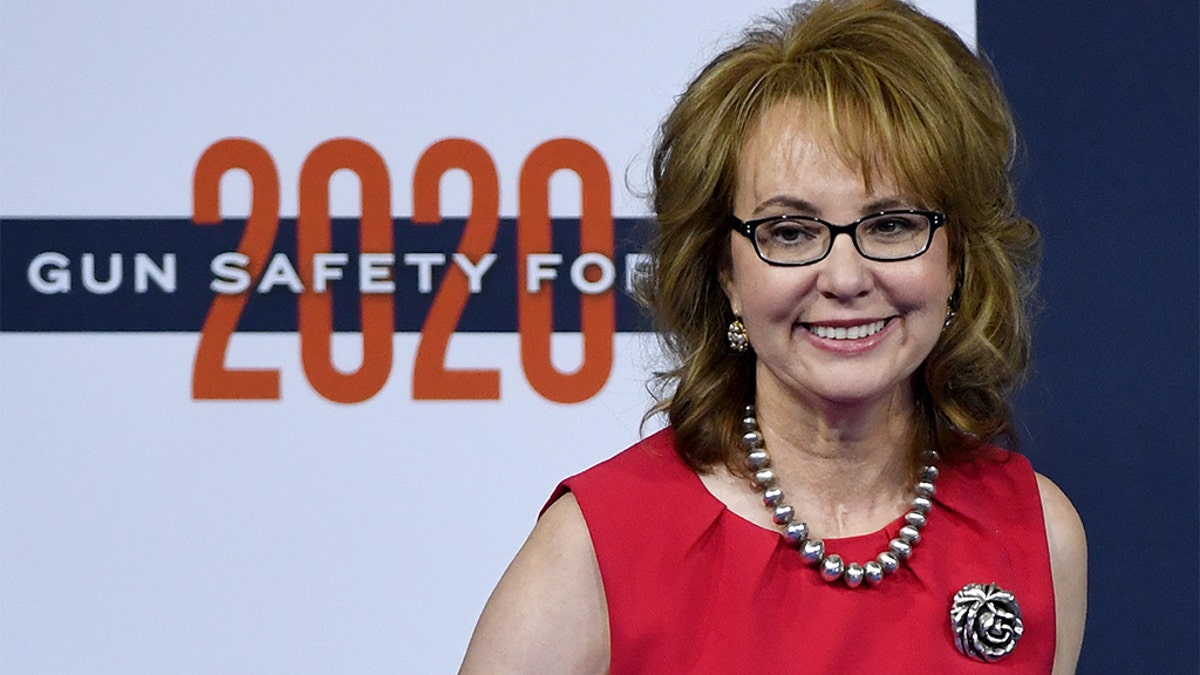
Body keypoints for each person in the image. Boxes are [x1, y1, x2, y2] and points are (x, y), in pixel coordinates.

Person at [461, 0, 1087, 672]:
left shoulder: (1037, 536)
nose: (845, 276)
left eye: (892, 224)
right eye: (790, 232)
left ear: (956, 256)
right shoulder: (595, 552)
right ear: (725, 270)